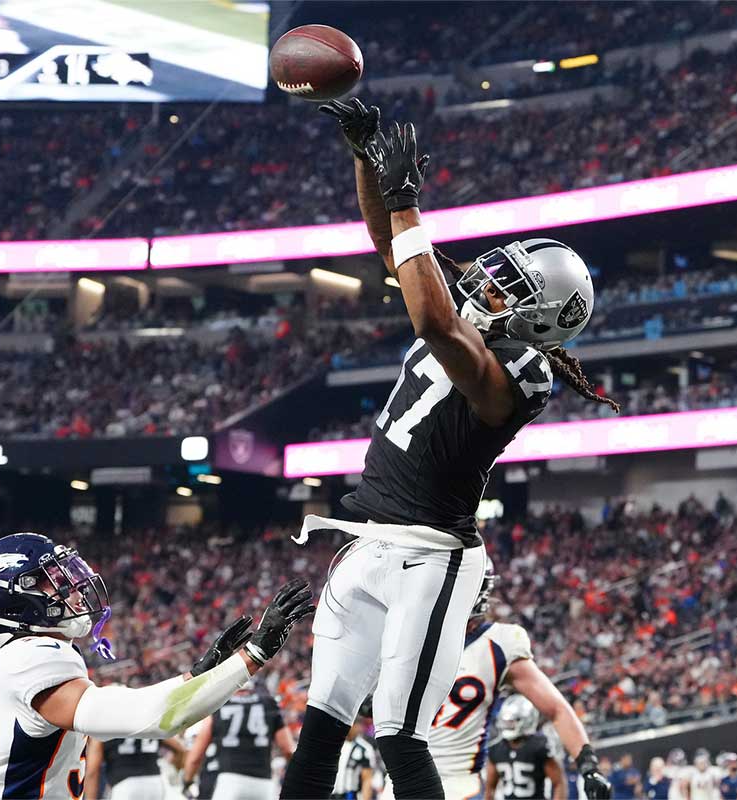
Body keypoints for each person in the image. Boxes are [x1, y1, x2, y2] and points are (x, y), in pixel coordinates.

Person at [281, 100, 615, 800]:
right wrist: (367, 162)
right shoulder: (472, 314)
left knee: (401, 736)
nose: (488, 285)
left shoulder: (520, 378)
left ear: (537, 321)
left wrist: (408, 203)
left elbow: (433, 320)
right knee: (321, 728)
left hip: (431, 559)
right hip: (367, 543)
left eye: (510, 289)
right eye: (501, 274)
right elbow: (388, 248)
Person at [0, 532, 313, 799]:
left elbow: (126, 708)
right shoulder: (31, 656)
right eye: (55, 584)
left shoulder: (15, 658)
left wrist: (194, 677)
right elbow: (153, 717)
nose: (74, 592)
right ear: (13, 602)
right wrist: (252, 656)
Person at [391, 563, 610, 799]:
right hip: (398, 781)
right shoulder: (407, 638)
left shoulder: (498, 644)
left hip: (456, 785)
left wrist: (589, 767)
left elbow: (556, 709)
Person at [183, 682, 295, 799]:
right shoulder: (268, 703)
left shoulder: (220, 705)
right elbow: (288, 750)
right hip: (263, 783)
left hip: (230, 781)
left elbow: (195, 757)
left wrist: (187, 781)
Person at [483, 696, 566, 800]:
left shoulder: (539, 747)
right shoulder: (496, 748)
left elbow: (559, 783)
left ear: (527, 720)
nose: (508, 725)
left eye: (512, 721)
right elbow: (490, 788)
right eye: (506, 721)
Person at [84, 732, 185, 799]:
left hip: (125, 785)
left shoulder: (103, 724)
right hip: (155, 782)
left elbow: (93, 770)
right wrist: (177, 770)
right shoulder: (144, 718)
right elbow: (180, 748)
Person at [332, 705, 375, 800]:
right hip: (332, 794)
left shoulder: (363, 748)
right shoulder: (335, 744)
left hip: (349, 795)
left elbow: (367, 780)